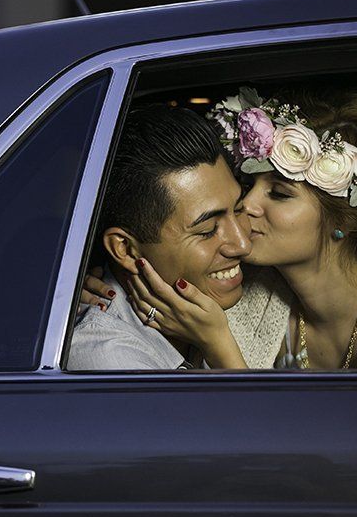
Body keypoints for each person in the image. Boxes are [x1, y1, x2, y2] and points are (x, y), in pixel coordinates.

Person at [108, 88, 357, 369]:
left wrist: (219, 344)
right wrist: (103, 281)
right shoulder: (256, 285)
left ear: (343, 220)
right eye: (251, 185)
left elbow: (356, 463)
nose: (247, 205)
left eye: (280, 194)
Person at [67, 105, 252, 371]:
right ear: (126, 250)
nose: (243, 245)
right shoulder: (106, 356)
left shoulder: (255, 283)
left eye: (238, 208)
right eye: (207, 230)